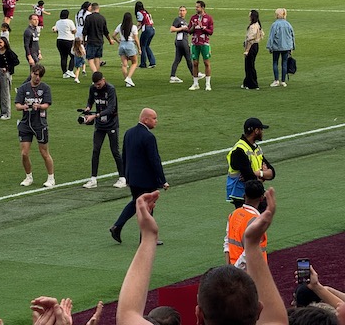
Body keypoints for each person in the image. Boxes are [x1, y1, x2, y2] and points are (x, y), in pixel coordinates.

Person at [116, 188, 288, 325]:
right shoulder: (273, 318)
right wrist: (252, 244)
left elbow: (127, 315)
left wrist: (148, 237)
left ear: (198, 315)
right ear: (259, 310)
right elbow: (277, 319)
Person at [110, 108, 169, 244]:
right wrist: (162, 180)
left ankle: (117, 226)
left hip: (133, 177)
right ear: (145, 119)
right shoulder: (149, 137)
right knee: (148, 205)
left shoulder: (129, 133)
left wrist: (125, 175)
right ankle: (146, 238)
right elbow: (154, 160)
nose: (156, 121)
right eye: (154, 118)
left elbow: (124, 155)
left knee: (136, 202)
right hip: (146, 179)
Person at [81, 72, 126, 189]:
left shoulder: (110, 89)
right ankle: (93, 179)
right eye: (95, 84)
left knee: (115, 151)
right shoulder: (93, 89)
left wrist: (95, 116)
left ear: (103, 80)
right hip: (100, 125)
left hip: (111, 124)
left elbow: (111, 108)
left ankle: (122, 178)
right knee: (96, 150)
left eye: (99, 84)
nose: (97, 86)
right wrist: (87, 108)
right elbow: (90, 101)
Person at [15, 64, 55, 188]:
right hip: (26, 123)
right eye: (35, 74)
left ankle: (51, 177)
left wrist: (40, 106)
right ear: (31, 73)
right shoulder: (23, 88)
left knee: (44, 152)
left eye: (40, 75)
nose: (37, 77)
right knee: (24, 153)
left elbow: (47, 104)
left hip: (40, 123)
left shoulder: (45, 88)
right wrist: (23, 107)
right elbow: (17, 105)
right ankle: (28, 177)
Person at [226, 117, 275, 207]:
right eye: (261, 130)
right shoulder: (239, 150)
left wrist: (259, 174)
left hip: (254, 192)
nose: (262, 132)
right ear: (256, 131)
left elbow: (272, 172)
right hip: (242, 196)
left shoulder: (256, 148)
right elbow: (249, 177)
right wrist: (263, 175)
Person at [224, 179, 267, 270]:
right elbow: (249, 252)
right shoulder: (257, 222)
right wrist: (235, 270)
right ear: (262, 198)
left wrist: (229, 268)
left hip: (234, 270)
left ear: (244, 195)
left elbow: (227, 243)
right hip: (252, 273)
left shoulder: (233, 214)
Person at [187, 0, 214, 91]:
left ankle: (207, 83)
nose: (196, 8)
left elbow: (211, 32)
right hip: (195, 43)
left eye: (197, 7)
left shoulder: (208, 18)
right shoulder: (193, 18)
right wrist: (193, 27)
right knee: (195, 63)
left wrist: (203, 28)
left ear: (202, 7)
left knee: (206, 62)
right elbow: (189, 31)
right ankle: (195, 83)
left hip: (205, 43)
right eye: (196, 7)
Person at [266, 8, 295, 88]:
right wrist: (292, 47)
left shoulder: (275, 24)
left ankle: (276, 80)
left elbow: (271, 37)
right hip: (286, 47)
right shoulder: (288, 24)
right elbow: (292, 36)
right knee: (284, 63)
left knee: (275, 62)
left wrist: (269, 46)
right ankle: (283, 81)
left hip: (277, 47)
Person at [169, 6, 199, 84]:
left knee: (177, 59)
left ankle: (173, 76)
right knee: (188, 58)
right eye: (180, 10)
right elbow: (172, 29)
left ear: (186, 12)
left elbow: (189, 31)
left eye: (183, 10)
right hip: (182, 42)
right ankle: (195, 75)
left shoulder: (184, 21)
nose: (182, 12)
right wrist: (182, 28)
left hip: (182, 41)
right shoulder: (177, 20)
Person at [83, 3, 114, 72]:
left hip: (91, 41)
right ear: (98, 8)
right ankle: (97, 76)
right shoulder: (102, 18)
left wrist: (83, 40)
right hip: (100, 41)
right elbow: (106, 32)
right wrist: (110, 40)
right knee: (97, 58)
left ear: (91, 8)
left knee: (90, 59)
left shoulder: (88, 18)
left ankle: (95, 74)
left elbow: (84, 31)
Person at [112, 12, 140, 87]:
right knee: (134, 62)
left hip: (122, 45)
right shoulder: (133, 27)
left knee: (124, 64)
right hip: (130, 44)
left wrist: (119, 42)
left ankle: (127, 82)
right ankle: (129, 77)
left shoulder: (120, 26)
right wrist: (139, 49)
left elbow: (113, 35)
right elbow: (136, 39)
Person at [0, 36, 19, 120]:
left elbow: (16, 61)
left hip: (6, 74)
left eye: (1, 42)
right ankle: (2, 111)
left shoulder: (9, 52)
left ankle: (7, 113)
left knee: (5, 94)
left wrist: (7, 67)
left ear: (5, 43)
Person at [242, 10, 264, 90]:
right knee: (250, 65)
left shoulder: (252, 27)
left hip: (251, 46)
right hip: (255, 46)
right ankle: (247, 82)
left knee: (249, 66)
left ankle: (253, 84)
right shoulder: (258, 25)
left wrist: (247, 50)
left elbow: (250, 40)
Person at [52, 9, 76, 78]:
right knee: (73, 56)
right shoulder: (69, 22)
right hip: (69, 40)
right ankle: (70, 70)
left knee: (63, 57)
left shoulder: (58, 22)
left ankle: (64, 73)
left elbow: (55, 30)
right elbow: (74, 30)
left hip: (59, 40)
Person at [135, 1, 156, 69]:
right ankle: (152, 62)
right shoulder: (146, 12)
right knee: (147, 46)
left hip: (146, 29)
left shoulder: (139, 13)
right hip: (152, 29)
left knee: (142, 46)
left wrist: (134, 30)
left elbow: (139, 23)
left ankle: (143, 64)